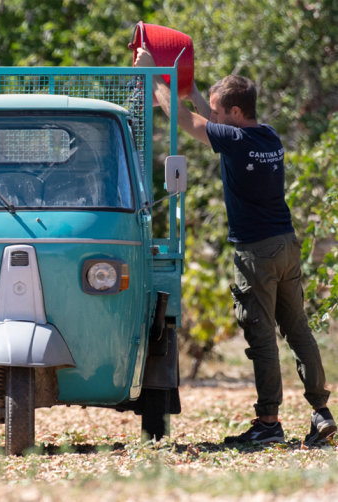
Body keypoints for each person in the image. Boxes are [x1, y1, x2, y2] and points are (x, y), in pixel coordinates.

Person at [134, 44, 336, 445]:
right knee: (298, 331)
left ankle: (268, 424)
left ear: (236, 115)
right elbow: (208, 117)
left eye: (219, 112)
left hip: (256, 253)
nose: (214, 118)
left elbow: (181, 120)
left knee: (261, 337)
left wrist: (154, 74)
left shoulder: (236, 141)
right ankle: (321, 413)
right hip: (286, 245)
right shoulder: (268, 137)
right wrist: (192, 91)